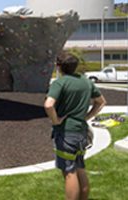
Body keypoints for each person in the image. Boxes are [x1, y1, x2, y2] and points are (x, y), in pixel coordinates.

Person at [44, 52, 106, 200]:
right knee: (79, 168)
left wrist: (56, 120)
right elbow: (101, 101)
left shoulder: (60, 83)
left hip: (66, 133)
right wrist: (87, 117)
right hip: (81, 132)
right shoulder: (86, 82)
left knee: (69, 173)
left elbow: (48, 105)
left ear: (58, 66)